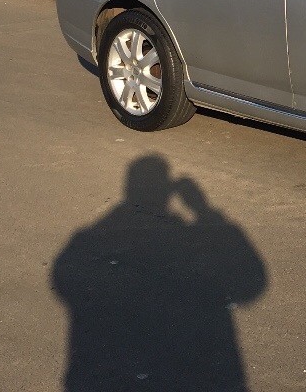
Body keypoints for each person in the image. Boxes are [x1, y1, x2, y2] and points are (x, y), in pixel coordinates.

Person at [52, 154, 267, 391]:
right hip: (191, 369)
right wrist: (204, 211)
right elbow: (251, 284)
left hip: (110, 370)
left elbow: (65, 275)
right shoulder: (184, 240)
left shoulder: (97, 236)